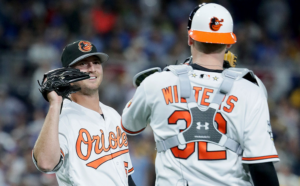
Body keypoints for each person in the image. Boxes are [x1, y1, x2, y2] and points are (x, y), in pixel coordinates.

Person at [121, 3, 279, 186]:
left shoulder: (156, 82)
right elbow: (261, 166)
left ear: (190, 39)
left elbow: (128, 126)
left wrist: (147, 90)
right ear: (229, 43)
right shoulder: (250, 88)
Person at [32, 40, 135, 186]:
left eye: (96, 62)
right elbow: (45, 163)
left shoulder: (113, 114)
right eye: (83, 64)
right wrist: (55, 104)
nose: (92, 68)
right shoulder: (61, 118)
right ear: (67, 73)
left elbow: (127, 176)